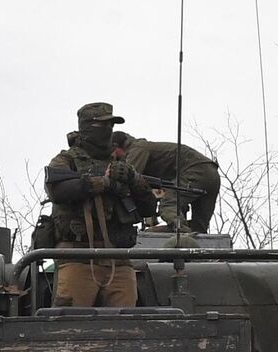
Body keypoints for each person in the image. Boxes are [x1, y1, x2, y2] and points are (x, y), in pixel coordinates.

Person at [44, 103, 156, 307]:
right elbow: (56, 189)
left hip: (118, 260)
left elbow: (149, 207)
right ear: (86, 127)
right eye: (100, 125)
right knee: (72, 327)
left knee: (125, 328)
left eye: (111, 125)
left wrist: (133, 179)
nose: (107, 131)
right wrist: (101, 183)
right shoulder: (66, 160)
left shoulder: (122, 165)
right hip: (78, 257)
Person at [111, 132, 221, 233]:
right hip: (211, 173)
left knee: (169, 203)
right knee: (199, 228)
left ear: (115, 147)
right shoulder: (142, 147)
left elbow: (127, 179)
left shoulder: (138, 149)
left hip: (196, 171)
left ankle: (180, 230)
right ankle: (185, 234)